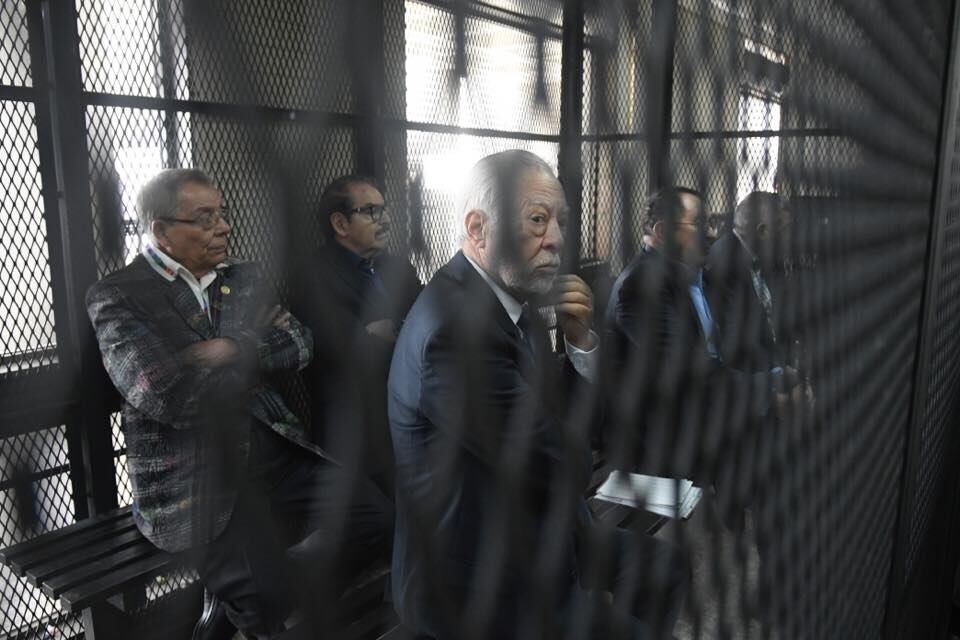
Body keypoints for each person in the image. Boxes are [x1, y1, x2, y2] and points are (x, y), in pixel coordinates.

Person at [388, 150, 687, 639]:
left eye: (561, 221)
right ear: (478, 229)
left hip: (537, 525)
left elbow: (556, 424)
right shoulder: (455, 333)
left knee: (666, 567)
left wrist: (580, 343)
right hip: (476, 580)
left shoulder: (510, 300)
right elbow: (565, 464)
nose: (556, 239)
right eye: (536, 220)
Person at [86, 168, 393, 639]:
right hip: (195, 477)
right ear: (161, 231)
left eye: (222, 213)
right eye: (205, 218)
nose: (224, 227)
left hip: (276, 452)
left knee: (378, 519)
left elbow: (301, 344)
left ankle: (278, 585)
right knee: (262, 598)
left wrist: (228, 349)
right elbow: (164, 393)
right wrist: (256, 352)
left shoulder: (241, 277)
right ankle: (258, 602)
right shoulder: (120, 295)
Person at [601, 187, 805, 500]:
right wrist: (770, 389)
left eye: (712, 223)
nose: (711, 233)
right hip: (659, 443)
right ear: (662, 232)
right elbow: (691, 374)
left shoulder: (691, 275)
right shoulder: (642, 286)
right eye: (700, 224)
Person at [294, 175, 421, 491]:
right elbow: (350, 351)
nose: (385, 220)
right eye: (371, 211)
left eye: (384, 209)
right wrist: (405, 334)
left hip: (415, 417)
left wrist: (392, 331)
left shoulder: (398, 267)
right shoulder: (315, 275)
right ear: (340, 224)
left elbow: (429, 324)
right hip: (358, 432)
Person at [705, 191, 794, 376]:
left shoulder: (765, 256)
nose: (790, 238)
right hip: (746, 374)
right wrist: (778, 374)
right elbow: (737, 339)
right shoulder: (724, 262)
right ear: (763, 232)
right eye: (786, 230)